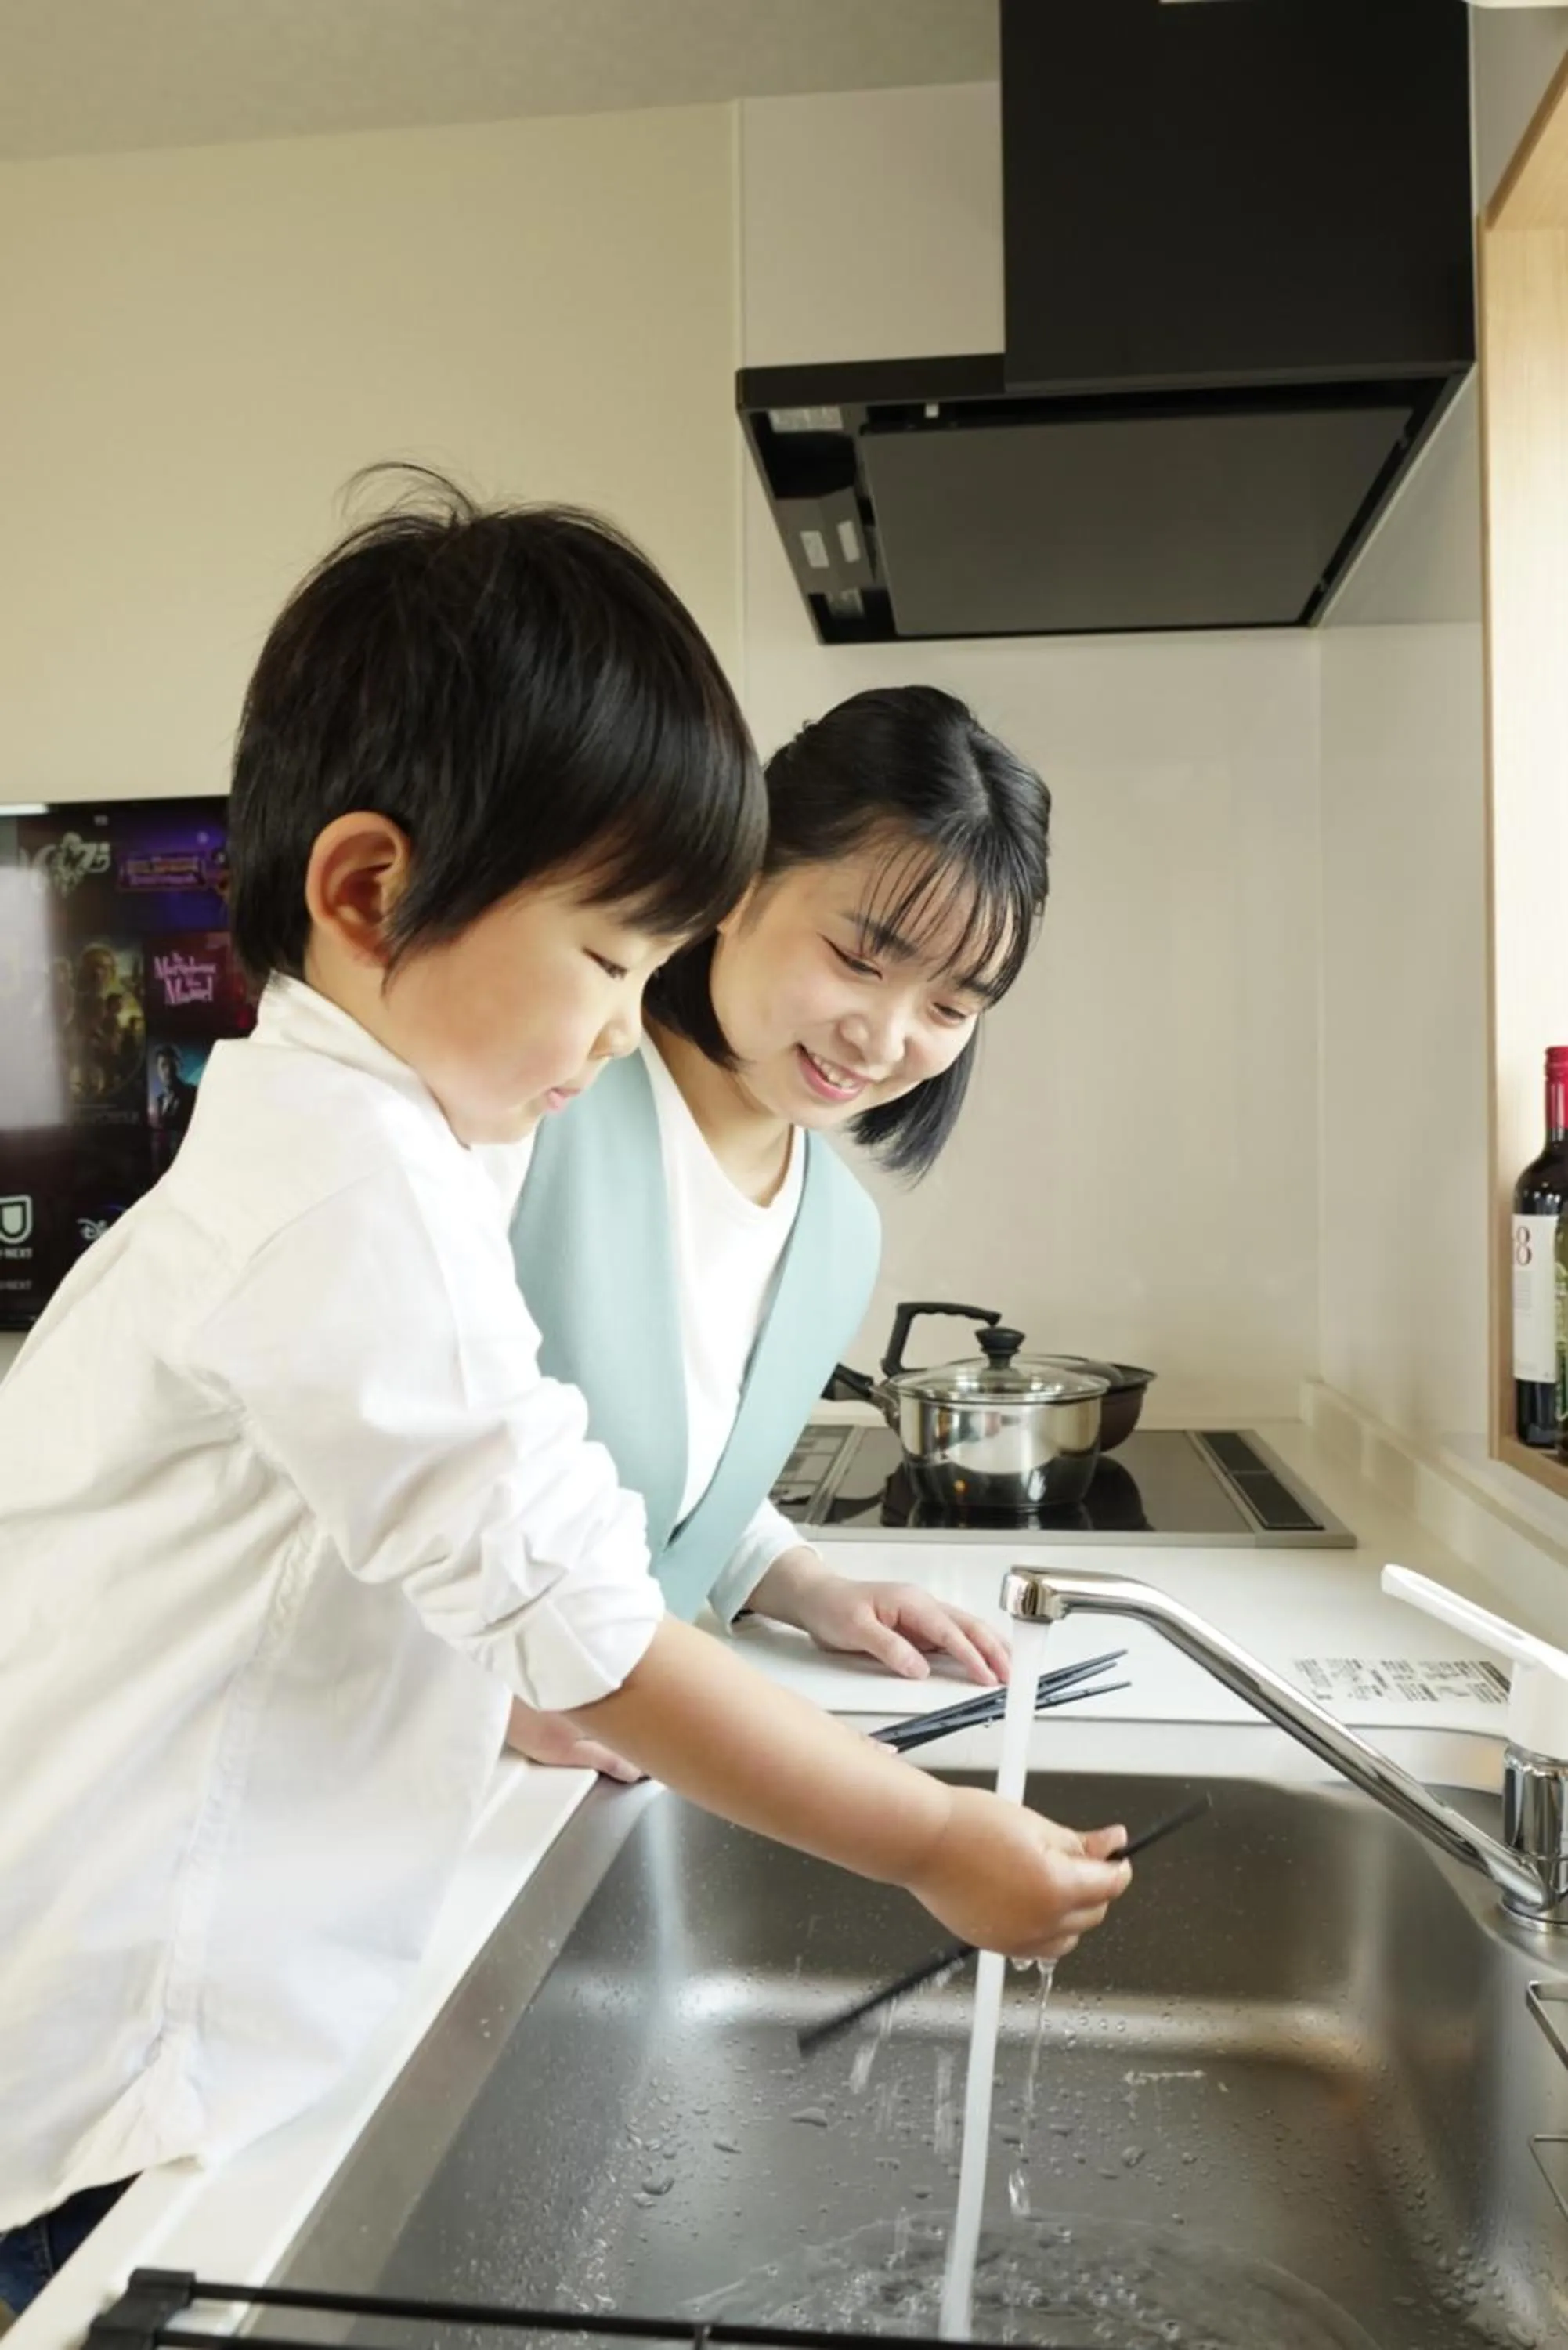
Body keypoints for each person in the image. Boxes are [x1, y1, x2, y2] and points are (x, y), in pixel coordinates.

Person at [0, 483, 1131, 2318]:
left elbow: (560, 1500)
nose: (624, 1027)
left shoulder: (392, 1146)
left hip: (199, 1990)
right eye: (613, 962)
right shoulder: (360, 1188)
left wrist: (764, 1586)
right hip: (110, 2040)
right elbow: (577, 1615)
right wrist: (929, 1842)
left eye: (952, 1001)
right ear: (370, 891)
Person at [507, 687, 1047, 1780]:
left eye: (948, 1008)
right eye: (859, 957)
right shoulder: (541, 1100)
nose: (885, 1035)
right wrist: (466, 1681)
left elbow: (668, 1485)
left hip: (588, 1773)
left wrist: (799, 1583)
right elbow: (363, 1440)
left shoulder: (834, 1232)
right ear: (740, 887)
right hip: (406, 1764)